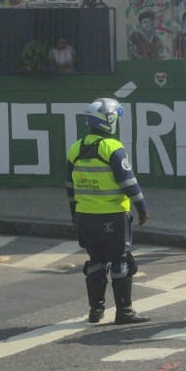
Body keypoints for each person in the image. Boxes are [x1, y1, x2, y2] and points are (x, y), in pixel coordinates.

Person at [66, 97, 150, 325]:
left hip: (85, 216)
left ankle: (95, 311)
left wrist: (75, 214)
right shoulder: (113, 148)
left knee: (96, 261)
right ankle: (124, 312)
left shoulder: (75, 148)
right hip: (112, 215)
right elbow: (129, 182)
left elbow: (69, 186)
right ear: (109, 120)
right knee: (121, 261)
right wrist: (142, 207)